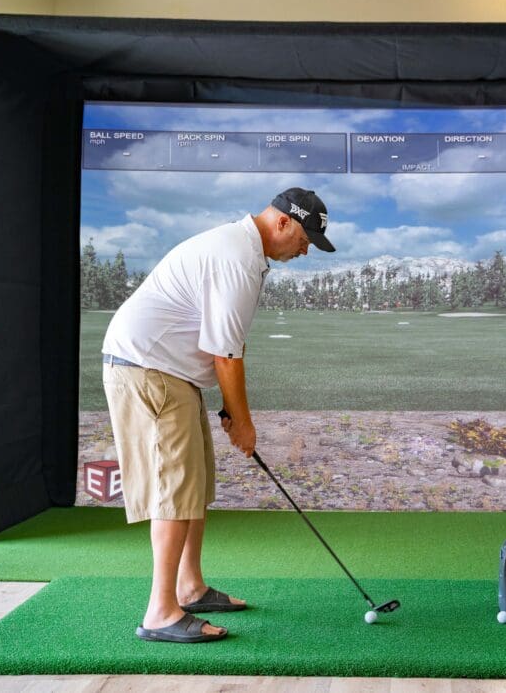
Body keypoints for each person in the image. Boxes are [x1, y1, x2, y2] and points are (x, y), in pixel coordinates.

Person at [101, 188, 335, 643]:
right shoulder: (237, 257)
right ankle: (160, 613)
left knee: (194, 483)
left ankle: (189, 586)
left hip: (169, 373)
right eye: (306, 239)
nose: (306, 250)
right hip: (148, 369)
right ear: (284, 222)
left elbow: (223, 345)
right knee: (174, 487)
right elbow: (225, 356)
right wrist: (243, 424)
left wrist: (232, 409)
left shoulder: (241, 249)